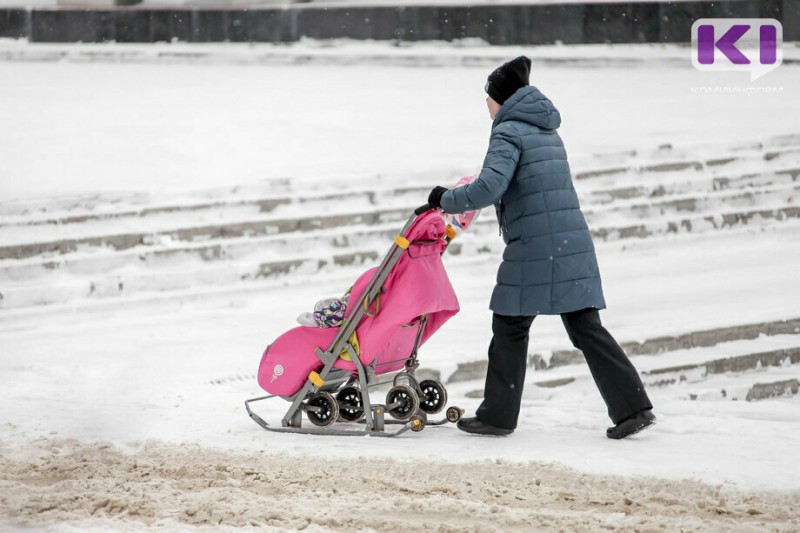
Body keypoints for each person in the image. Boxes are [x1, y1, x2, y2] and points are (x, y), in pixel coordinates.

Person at [427, 56, 655, 439]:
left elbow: (489, 188)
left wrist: (444, 198)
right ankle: (633, 407)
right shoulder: (545, 129)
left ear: (501, 98)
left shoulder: (508, 132)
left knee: (510, 323)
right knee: (585, 326)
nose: (486, 104)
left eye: (488, 96)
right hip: (568, 239)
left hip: (537, 244)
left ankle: (498, 416)